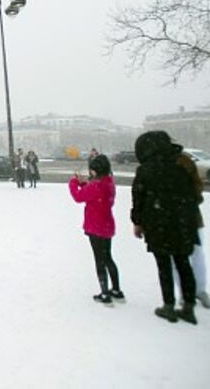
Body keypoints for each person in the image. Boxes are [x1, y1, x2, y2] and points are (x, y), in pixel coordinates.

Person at [130, 130, 200, 324]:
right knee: (183, 264)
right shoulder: (181, 164)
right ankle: (188, 306)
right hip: (183, 223)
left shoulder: (146, 169)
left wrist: (137, 222)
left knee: (164, 266)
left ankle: (168, 305)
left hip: (158, 222)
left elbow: (138, 198)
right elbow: (195, 194)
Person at [69, 154, 123, 304]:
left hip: (95, 226)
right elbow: (92, 192)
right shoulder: (108, 183)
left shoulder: (96, 186)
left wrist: (74, 182)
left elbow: (79, 197)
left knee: (99, 260)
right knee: (108, 258)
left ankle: (104, 292)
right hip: (106, 225)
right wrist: (84, 183)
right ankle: (116, 289)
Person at [172, 152, 210, 310]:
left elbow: (197, 185)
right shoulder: (167, 160)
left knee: (196, 254)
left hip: (190, 217)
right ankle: (185, 294)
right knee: (178, 258)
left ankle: (200, 290)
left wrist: (189, 200)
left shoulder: (183, 159)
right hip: (174, 218)